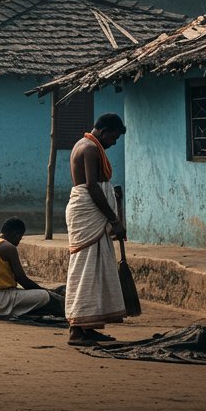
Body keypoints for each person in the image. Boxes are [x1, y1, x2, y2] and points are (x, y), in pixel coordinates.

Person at [64, 113, 128, 346]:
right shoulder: (89, 148)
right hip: (89, 215)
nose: (114, 142)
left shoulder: (89, 145)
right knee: (86, 270)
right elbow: (91, 186)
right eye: (113, 136)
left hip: (94, 217)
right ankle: (77, 329)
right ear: (103, 130)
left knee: (96, 270)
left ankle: (89, 327)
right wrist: (114, 220)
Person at [0, 217, 64, 319]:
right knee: (45, 297)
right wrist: (46, 292)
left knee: (27, 297)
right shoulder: (8, 247)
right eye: (20, 238)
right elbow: (21, 279)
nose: (19, 242)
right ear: (17, 234)